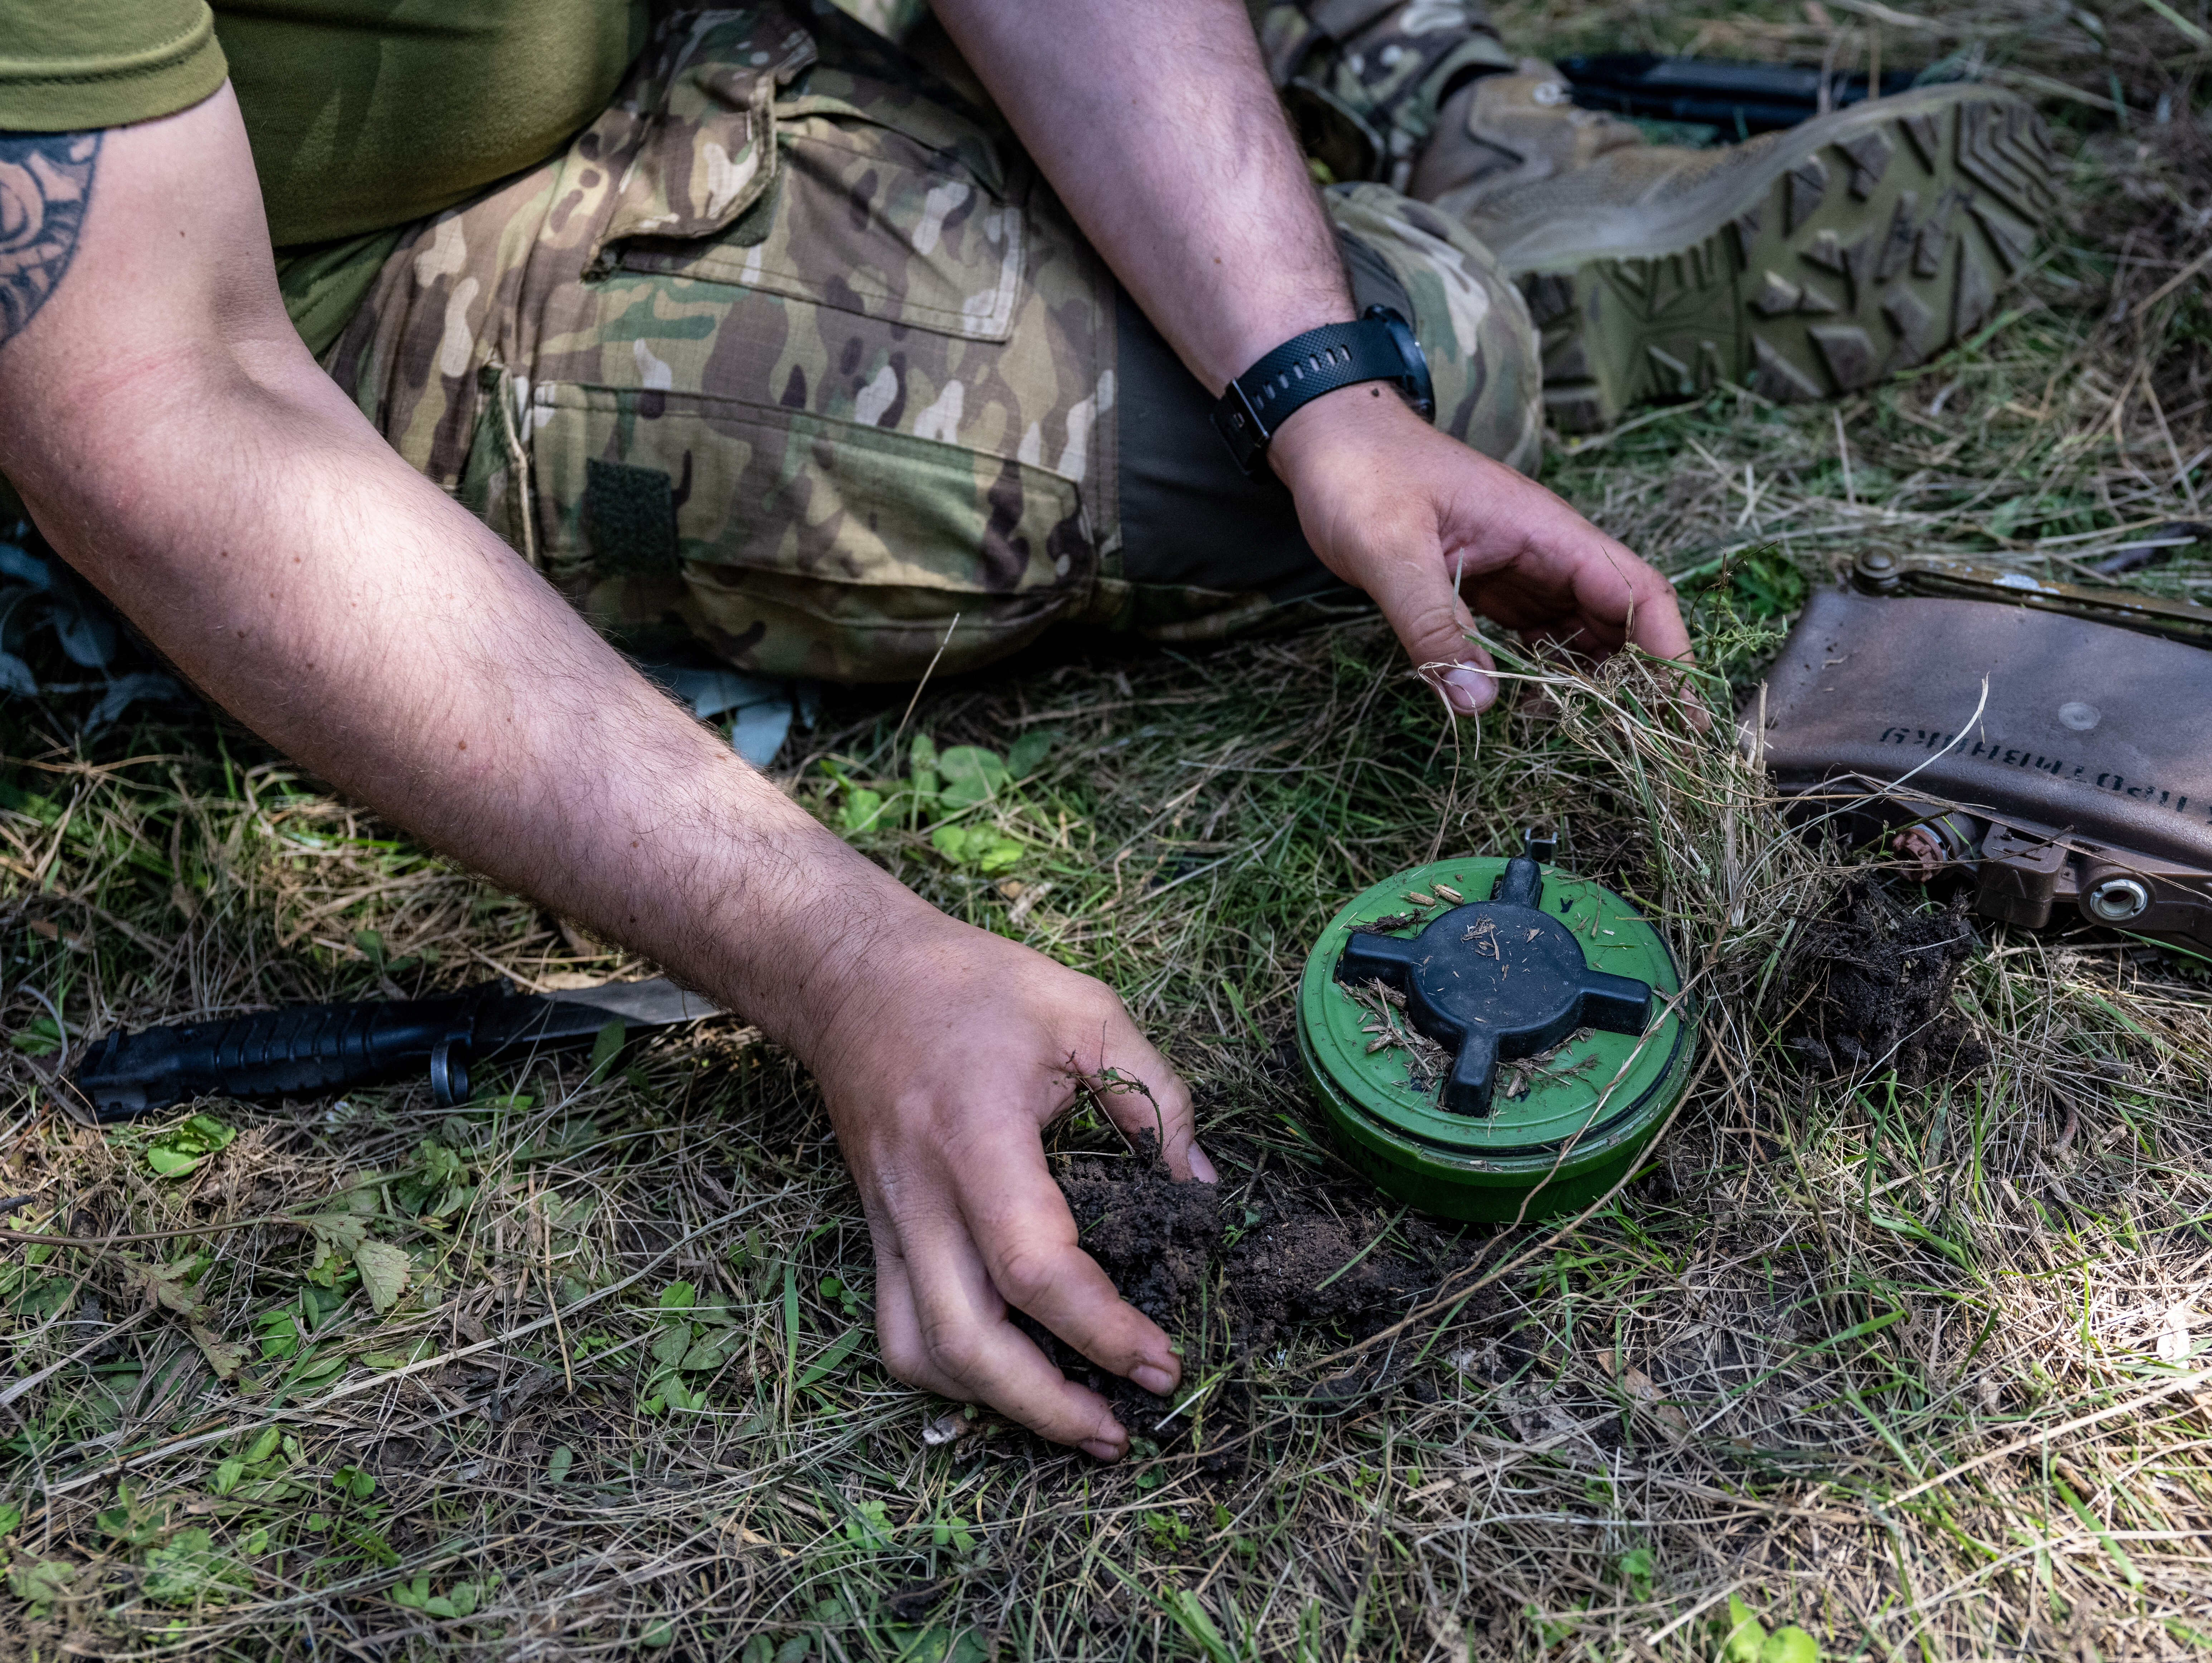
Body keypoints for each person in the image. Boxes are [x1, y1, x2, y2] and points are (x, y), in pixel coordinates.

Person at [0, 0, 2053, 1458]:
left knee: (1342, 382)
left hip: (619, 55)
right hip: (270, 266)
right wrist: (848, 953)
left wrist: (1325, 389)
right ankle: (1469, 200)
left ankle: (1439, 111)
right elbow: (171, 391)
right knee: (1294, 391)